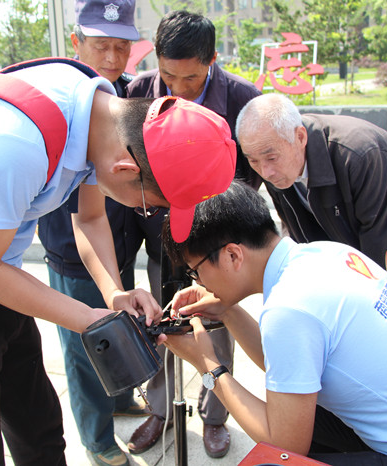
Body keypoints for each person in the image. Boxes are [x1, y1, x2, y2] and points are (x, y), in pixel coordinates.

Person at [0, 55, 238, 466]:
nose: (146, 213)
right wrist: (91, 319)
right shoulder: (15, 144)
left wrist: (114, 295)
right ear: (125, 167)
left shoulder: (102, 118)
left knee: (41, 432)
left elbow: (91, 217)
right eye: (149, 206)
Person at [160, 180, 387, 465]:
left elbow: (285, 445)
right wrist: (227, 310)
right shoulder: (327, 253)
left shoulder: (290, 308)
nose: (199, 284)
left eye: (195, 271)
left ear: (232, 255)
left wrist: (206, 365)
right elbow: (288, 371)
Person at [125, 9, 261, 458]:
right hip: (162, 230)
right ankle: (161, 409)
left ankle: (215, 412)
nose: (178, 91)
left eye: (191, 80)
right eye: (169, 77)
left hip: (214, 239)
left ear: (212, 60)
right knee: (165, 323)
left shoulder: (243, 101)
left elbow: (249, 181)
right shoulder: (139, 93)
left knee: (215, 326)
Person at [36, 1, 148, 465]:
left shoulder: (119, 94)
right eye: (101, 46)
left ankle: (120, 400)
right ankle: (98, 440)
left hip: (114, 240)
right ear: (75, 41)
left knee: (118, 329)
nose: (111, 59)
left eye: (121, 48)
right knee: (86, 349)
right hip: (70, 248)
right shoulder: (55, 102)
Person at [235, 93, 387, 268]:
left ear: (300, 137)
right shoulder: (277, 159)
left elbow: (379, 249)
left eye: (271, 158)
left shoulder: (360, 155)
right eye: (253, 161)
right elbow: (295, 232)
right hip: (341, 224)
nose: (266, 172)